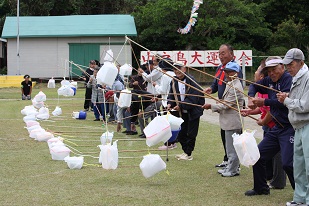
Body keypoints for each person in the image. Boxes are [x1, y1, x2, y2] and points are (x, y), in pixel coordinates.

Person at [244, 56, 295, 196]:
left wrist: (264, 101)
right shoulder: (269, 80)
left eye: (274, 69)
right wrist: (250, 97)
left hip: (289, 128)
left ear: (282, 67)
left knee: (288, 164)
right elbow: (254, 85)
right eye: (269, 70)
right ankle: (261, 188)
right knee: (257, 155)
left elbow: (282, 102)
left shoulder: (288, 79)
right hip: (276, 129)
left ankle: (301, 193)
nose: (272, 73)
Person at [276, 48, 309, 206]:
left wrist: (286, 101)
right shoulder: (296, 76)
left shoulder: (307, 77)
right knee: (299, 166)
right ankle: (300, 199)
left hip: (307, 125)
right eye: (287, 64)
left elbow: (306, 106)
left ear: (301, 63)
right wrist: (288, 97)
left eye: (291, 64)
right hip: (298, 126)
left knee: (308, 166)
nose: (288, 67)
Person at [204, 44, 243, 168]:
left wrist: (214, 105)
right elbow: (216, 84)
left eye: (223, 53)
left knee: (234, 136)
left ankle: (235, 163)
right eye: (219, 53)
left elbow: (236, 87)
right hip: (222, 105)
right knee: (224, 133)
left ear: (231, 54)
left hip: (230, 106)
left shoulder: (235, 69)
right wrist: (211, 89)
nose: (221, 56)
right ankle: (227, 159)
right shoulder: (220, 68)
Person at [168, 62, 205, 160]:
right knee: (181, 133)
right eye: (175, 69)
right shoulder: (174, 81)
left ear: (184, 69)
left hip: (193, 111)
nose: (177, 71)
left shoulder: (192, 81)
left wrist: (180, 105)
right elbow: (171, 94)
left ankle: (188, 153)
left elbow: (193, 99)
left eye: (179, 68)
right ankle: (185, 151)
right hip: (181, 112)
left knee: (191, 133)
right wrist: (169, 103)